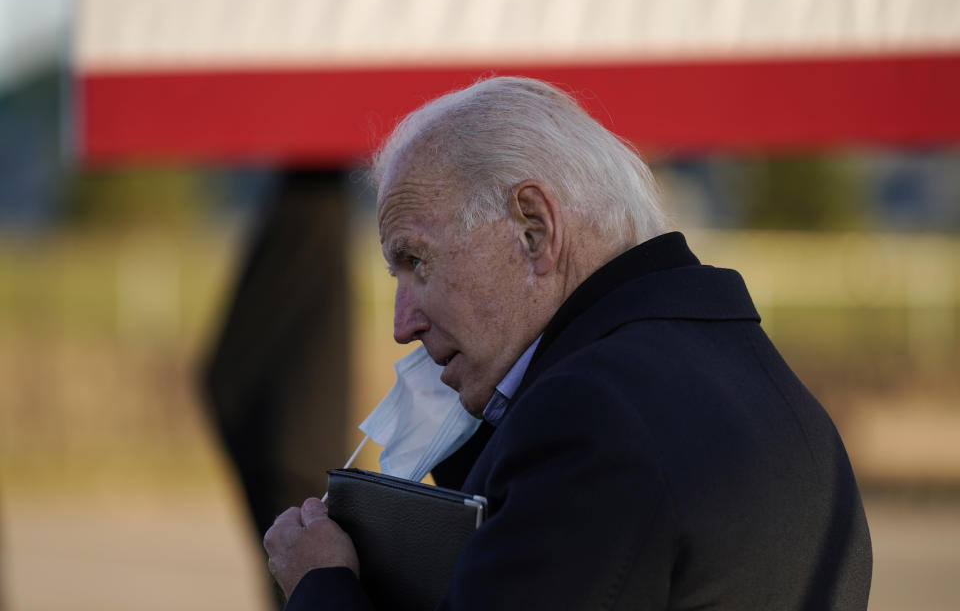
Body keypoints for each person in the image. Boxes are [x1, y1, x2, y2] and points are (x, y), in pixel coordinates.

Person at [264, 76, 873, 610]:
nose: (403, 323)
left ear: (534, 230)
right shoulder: (772, 390)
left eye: (416, 261)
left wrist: (321, 583)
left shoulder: (588, 416)